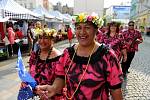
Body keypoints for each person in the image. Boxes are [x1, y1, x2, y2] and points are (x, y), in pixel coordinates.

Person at [36, 13, 123, 100]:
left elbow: (115, 90)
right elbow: (61, 76)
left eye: (87, 27)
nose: (82, 32)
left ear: (96, 30)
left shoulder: (107, 56)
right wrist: (54, 88)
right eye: (78, 28)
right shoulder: (68, 53)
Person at [20, 28, 63, 99]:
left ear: (52, 40)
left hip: (50, 96)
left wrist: (46, 92)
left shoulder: (59, 58)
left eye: (45, 38)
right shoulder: (35, 54)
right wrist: (25, 81)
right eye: (40, 38)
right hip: (34, 94)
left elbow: (60, 81)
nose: (42, 41)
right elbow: (30, 71)